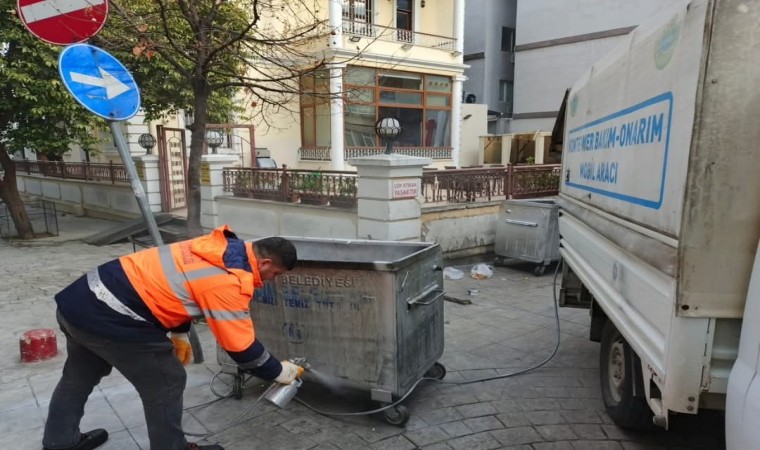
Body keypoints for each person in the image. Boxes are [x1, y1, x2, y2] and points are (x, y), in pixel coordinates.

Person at [42, 225, 300, 450]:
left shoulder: (213, 246)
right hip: (115, 317)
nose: (272, 280)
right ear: (265, 263)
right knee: (167, 381)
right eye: (275, 274)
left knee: (79, 376)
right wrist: (278, 371)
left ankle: (60, 441)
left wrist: (179, 332)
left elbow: (178, 285)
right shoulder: (229, 281)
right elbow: (240, 347)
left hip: (78, 302)